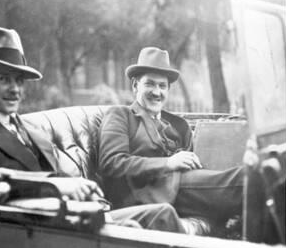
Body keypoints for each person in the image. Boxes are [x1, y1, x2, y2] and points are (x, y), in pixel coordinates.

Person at [0, 27, 192, 233]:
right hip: (42, 229)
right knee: (155, 219)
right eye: (3, 79)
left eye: (19, 80)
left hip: (79, 214)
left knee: (160, 214)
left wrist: (83, 188)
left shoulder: (27, 129)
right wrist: (56, 186)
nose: (15, 89)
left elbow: (58, 175)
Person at [98, 47, 245, 232]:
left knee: (249, 179)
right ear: (135, 85)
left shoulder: (179, 126)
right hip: (148, 195)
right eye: (149, 84)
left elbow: (194, 169)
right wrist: (168, 163)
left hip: (185, 193)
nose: (156, 92)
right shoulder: (121, 115)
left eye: (162, 86)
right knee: (249, 180)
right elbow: (111, 163)